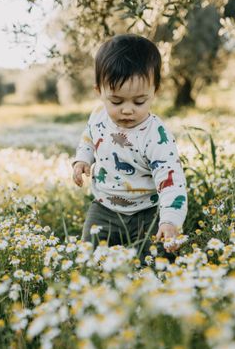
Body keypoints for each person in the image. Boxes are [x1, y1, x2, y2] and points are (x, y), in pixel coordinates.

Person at [71, 33, 188, 266]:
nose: (127, 110)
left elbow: (171, 180)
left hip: (148, 211)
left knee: (157, 260)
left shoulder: (156, 135)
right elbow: (89, 136)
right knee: (89, 259)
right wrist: (82, 159)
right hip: (104, 207)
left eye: (139, 102)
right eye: (116, 101)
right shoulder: (98, 116)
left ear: (155, 91)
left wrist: (169, 221)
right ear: (99, 91)